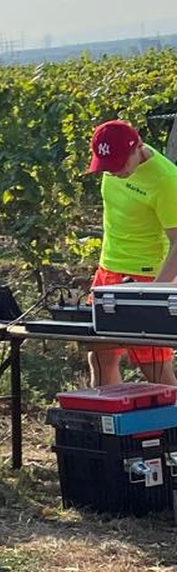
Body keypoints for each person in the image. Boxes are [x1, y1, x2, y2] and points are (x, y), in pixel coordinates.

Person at [87, 119, 177, 387]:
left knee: (154, 367)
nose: (113, 172)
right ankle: (106, 414)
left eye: (118, 164)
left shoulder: (166, 180)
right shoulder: (112, 165)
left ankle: (170, 415)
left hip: (145, 277)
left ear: (137, 147)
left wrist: (155, 294)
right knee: (100, 355)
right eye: (106, 166)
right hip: (108, 269)